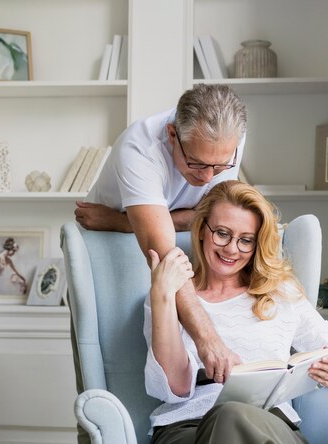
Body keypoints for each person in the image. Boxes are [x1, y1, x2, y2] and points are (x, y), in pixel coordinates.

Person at [144, 181, 328, 444]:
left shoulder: (280, 295)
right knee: (226, 416)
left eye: (245, 240)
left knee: (232, 416)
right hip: (186, 430)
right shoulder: (171, 294)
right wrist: (162, 295)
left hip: (268, 427)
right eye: (222, 233)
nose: (231, 249)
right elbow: (175, 389)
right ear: (202, 229)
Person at [74, 84, 247, 381]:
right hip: (110, 256)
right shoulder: (139, 149)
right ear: (172, 136)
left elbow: (215, 217)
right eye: (197, 164)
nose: (207, 177)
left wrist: (124, 222)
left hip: (145, 237)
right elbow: (166, 259)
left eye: (219, 167)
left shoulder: (230, 139)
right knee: (104, 375)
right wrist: (209, 340)